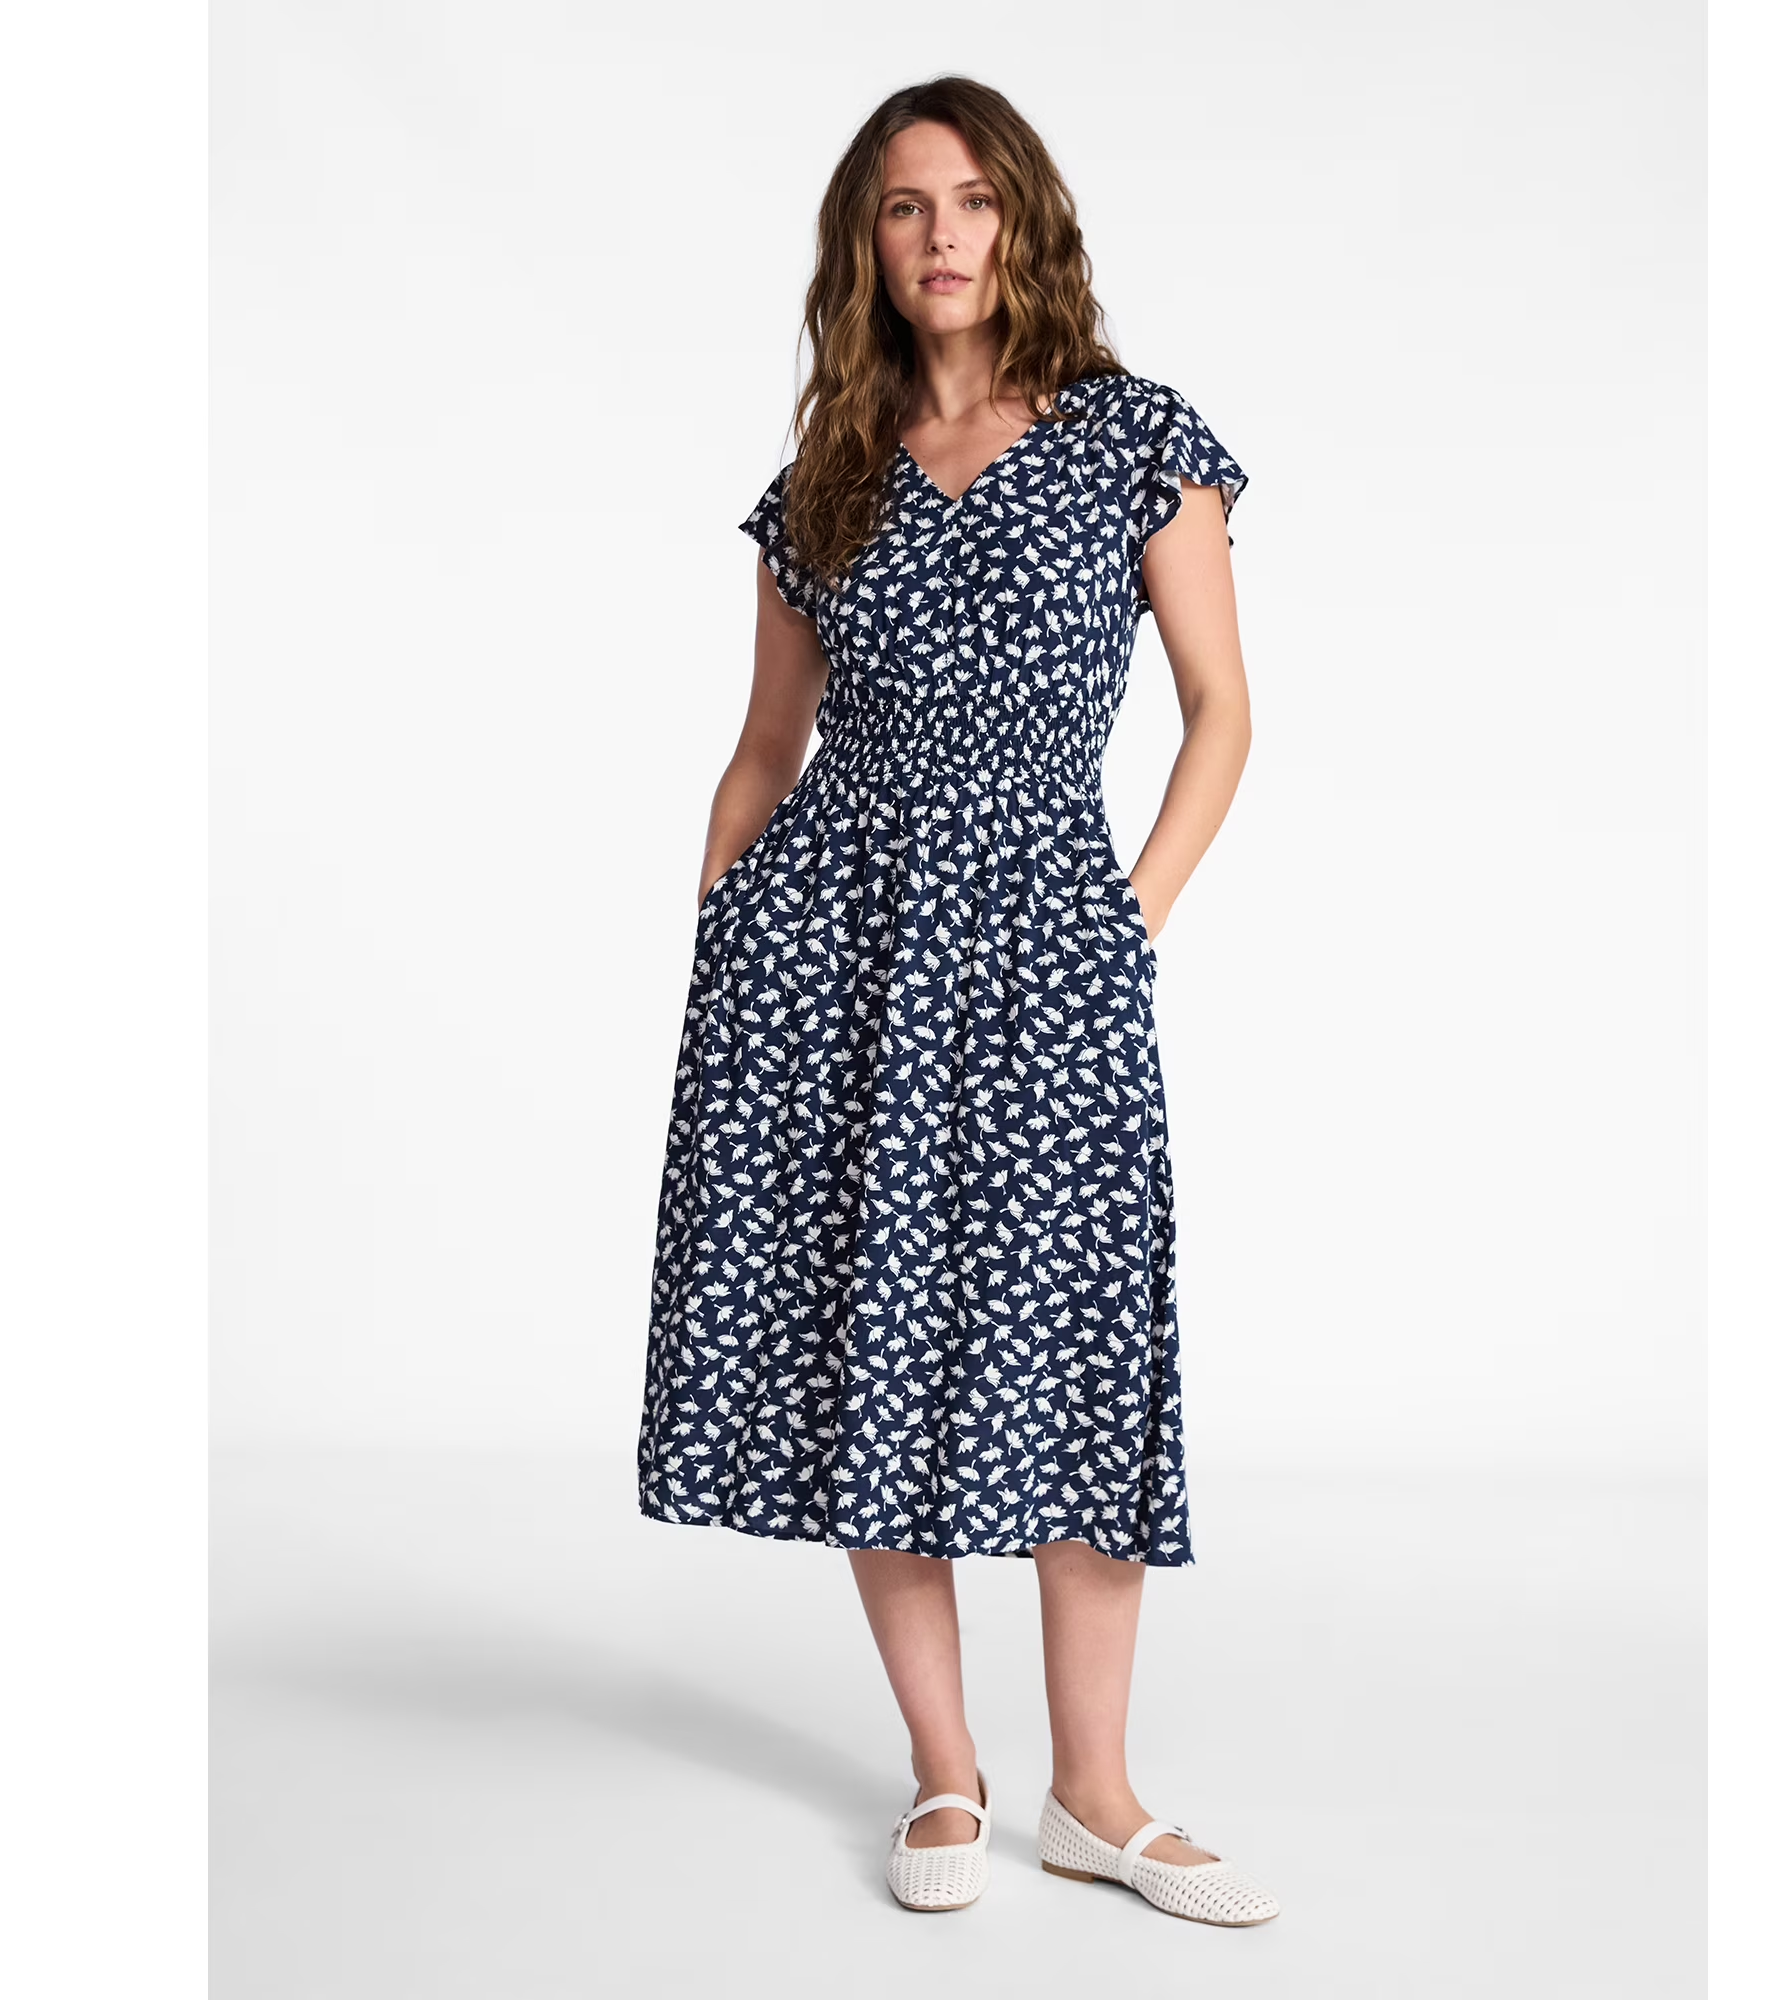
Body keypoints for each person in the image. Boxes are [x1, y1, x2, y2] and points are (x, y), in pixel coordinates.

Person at [636, 75, 1277, 1927]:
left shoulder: (1135, 440)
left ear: (1025, 223)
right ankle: (945, 1768)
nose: (943, 235)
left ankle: (1096, 1795)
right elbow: (767, 748)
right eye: (907, 205)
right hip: (832, 957)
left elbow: (1222, 713)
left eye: (975, 199)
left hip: (1049, 942)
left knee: (1076, 1337)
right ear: (868, 238)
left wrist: (1126, 915)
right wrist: (724, 940)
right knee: (875, 1338)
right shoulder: (821, 484)